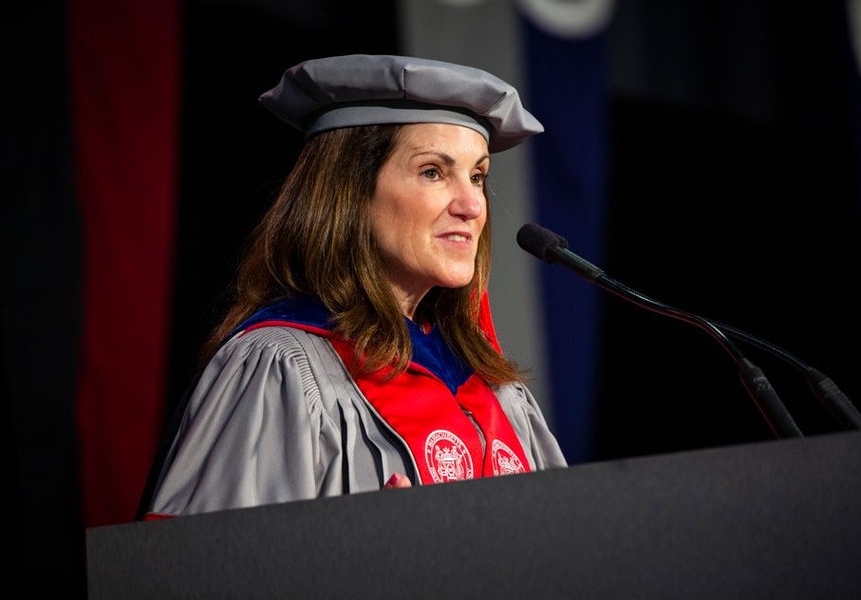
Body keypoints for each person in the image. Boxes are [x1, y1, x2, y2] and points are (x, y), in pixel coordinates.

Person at [136, 54, 567, 520]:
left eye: (477, 176)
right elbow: (208, 573)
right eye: (433, 172)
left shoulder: (500, 397)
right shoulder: (280, 370)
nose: (471, 205)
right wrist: (364, 560)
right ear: (350, 191)